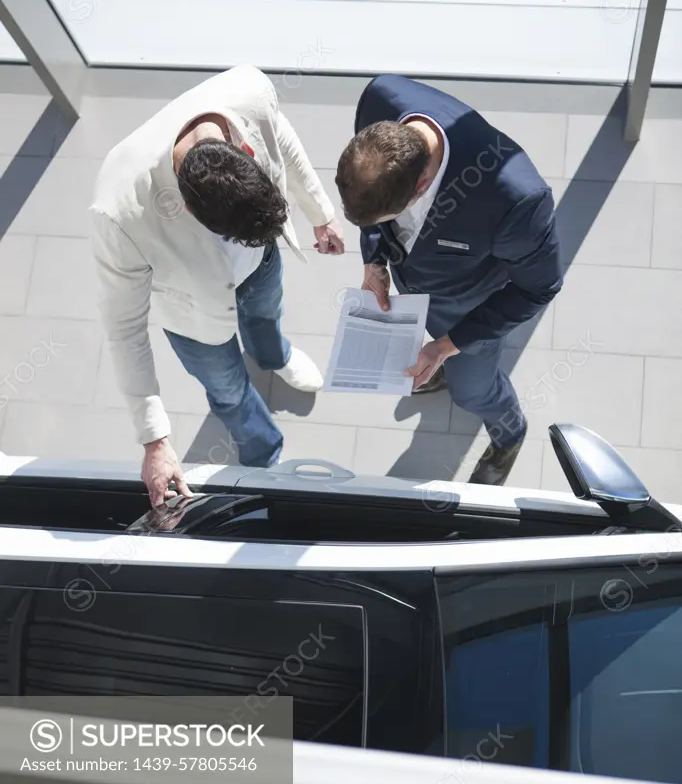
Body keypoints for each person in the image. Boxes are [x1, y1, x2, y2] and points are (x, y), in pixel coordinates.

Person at [91, 64, 344, 506]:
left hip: (261, 265)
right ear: (185, 209)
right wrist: (154, 439)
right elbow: (123, 328)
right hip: (193, 314)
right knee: (227, 391)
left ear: (245, 146)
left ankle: (274, 355)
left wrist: (319, 212)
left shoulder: (250, 91)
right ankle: (263, 452)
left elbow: (280, 136)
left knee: (268, 315)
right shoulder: (117, 208)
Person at [335, 74, 563, 486]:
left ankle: (510, 432)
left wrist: (446, 345)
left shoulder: (516, 199)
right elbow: (374, 212)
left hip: (469, 311)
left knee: (474, 390)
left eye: (389, 217)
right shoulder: (378, 99)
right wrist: (374, 261)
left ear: (421, 185)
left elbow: (538, 287)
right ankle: (441, 369)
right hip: (420, 290)